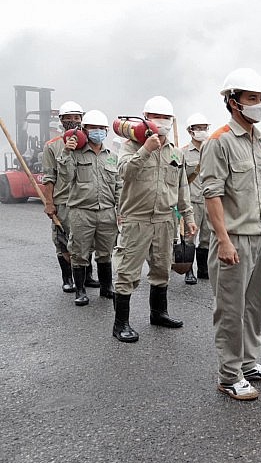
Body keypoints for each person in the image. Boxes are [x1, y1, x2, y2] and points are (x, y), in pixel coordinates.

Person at [201, 67, 261, 400]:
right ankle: (229, 375)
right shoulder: (219, 142)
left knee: (254, 307)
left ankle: (249, 364)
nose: (259, 105)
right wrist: (222, 239)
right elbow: (212, 193)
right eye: (252, 99)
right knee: (231, 309)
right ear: (233, 102)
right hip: (234, 240)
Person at [112, 96, 196, 343]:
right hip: (136, 219)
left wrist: (188, 216)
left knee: (161, 268)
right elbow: (124, 173)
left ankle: (158, 313)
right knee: (128, 271)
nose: (163, 122)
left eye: (167, 118)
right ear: (146, 118)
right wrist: (146, 149)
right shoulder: (130, 146)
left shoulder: (174, 152)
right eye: (158, 117)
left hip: (165, 219)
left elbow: (182, 188)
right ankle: (121, 324)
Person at [58, 110, 120, 305]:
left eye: (102, 128)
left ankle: (106, 287)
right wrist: (67, 152)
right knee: (79, 252)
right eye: (94, 128)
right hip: (81, 212)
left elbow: (118, 184)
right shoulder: (74, 154)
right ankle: (81, 291)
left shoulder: (111, 156)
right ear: (84, 130)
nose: (98, 132)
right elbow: (66, 177)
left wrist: (120, 210)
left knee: (105, 251)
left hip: (107, 212)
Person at [41, 101, 94, 293]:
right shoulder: (52, 146)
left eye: (77, 118)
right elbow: (48, 177)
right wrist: (49, 203)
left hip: (85, 199)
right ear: (61, 120)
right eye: (68, 118)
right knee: (63, 240)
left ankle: (87, 275)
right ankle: (67, 278)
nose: (73, 121)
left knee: (87, 239)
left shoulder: (89, 143)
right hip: (63, 201)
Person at [181, 113, 212, 285]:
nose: (201, 131)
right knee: (190, 237)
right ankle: (188, 271)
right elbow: (179, 180)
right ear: (190, 131)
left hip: (210, 200)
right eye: (198, 128)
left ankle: (203, 269)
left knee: (207, 237)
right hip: (192, 201)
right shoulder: (183, 153)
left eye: (204, 128)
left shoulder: (213, 149)